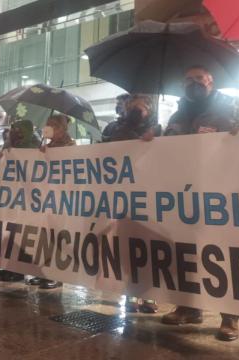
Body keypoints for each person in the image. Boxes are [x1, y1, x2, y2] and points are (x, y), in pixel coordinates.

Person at [160, 65, 239, 342]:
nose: (193, 83)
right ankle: (190, 307)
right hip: (186, 194)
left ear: (211, 82)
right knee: (187, 252)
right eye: (187, 79)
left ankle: (230, 317)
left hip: (222, 193)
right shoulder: (176, 115)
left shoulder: (229, 109)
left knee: (224, 253)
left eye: (198, 78)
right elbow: (165, 150)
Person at [104, 94, 160, 313]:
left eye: (140, 108)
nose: (136, 112)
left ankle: (150, 295)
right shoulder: (115, 129)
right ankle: (131, 292)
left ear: (149, 109)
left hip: (151, 196)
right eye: (131, 108)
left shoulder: (160, 129)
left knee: (150, 248)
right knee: (127, 248)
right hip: (124, 198)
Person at [27, 115, 76, 289]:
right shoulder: (48, 146)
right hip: (47, 197)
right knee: (45, 235)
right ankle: (45, 271)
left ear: (60, 129)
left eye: (51, 126)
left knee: (58, 235)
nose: (47, 128)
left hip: (62, 199)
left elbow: (67, 169)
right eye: (46, 125)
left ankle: (57, 274)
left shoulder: (70, 146)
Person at [0, 120, 40, 282]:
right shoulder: (12, 145)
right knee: (11, 232)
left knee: (22, 234)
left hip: (28, 199)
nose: (16, 133)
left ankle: (20, 269)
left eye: (19, 130)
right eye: (15, 130)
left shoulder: (34, 147)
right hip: (14, 197)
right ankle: (11, 266)